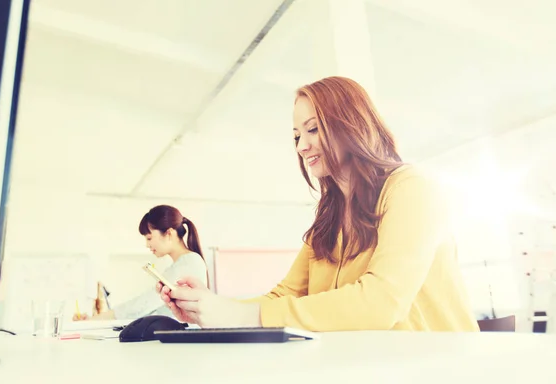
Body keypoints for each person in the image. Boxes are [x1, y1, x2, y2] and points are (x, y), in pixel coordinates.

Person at [157, 76, 480, 332]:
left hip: (437, 364)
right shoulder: (329, 217)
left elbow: (381, 303)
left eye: (313, 129)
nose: (302, 146)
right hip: (371, 365)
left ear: (351, 125)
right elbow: (286, 295)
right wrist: (208, 306)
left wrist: (238, 314)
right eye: (297, 135)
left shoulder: (410, 188)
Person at [74, 205, 208, 321]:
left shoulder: (189, 262)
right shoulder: (184, 263)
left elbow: (145, 303)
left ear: (169, 234)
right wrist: (95, 320)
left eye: (149, 238)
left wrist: (94, 320)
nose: (147, 245)